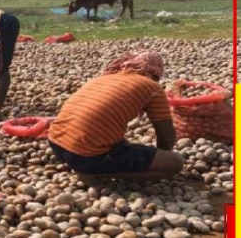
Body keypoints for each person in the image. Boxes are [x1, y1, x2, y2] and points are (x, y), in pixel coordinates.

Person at [47, 51, 183, 186]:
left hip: (56, 143)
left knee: (113, 141)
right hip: (86, 156)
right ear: (156, 72)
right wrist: (161, 157)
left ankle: (84, 163)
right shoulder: (152, 87)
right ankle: (93, 172)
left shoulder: (103, 78)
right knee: (175, 163)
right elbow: (166, 137)